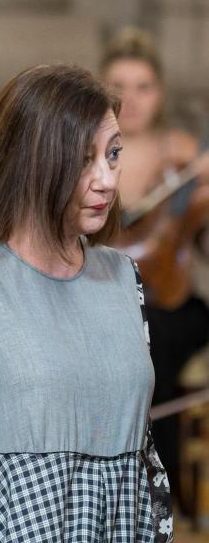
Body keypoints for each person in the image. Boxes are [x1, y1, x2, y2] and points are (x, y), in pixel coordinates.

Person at [0, 65, 173, 541]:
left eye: (112, 155)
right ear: (31, 162)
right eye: (84, 160)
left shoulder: (123, 275)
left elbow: (145, 459)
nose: (106, 180)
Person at [100, 28, 209, 507]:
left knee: (156, 336)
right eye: (119, 85)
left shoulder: (184, 153)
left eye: (144, 86)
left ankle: (154, 495)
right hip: (102, 297)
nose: (132, 99)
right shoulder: (88, 151)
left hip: (168, 300)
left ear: (160, 93)